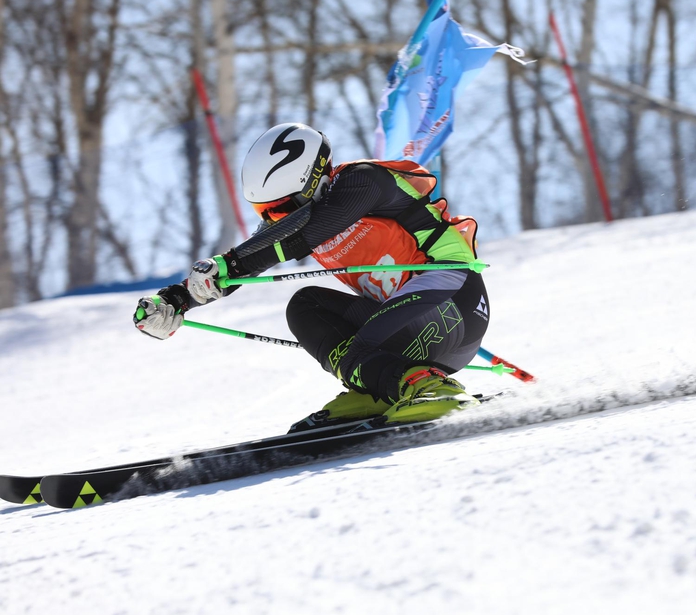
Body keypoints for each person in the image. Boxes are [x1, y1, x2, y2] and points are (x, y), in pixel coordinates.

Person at [134, 122, 490, 432]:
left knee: (359, 346)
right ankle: (382, 387)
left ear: (311, 182)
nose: (274, 219)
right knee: (306, 306)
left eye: (280, 208)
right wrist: (178, 299)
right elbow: (250, 260)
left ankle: (431, 389)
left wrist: (230, 261)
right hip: (409, 333)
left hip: (454, 304)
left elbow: (309, 232)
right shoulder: (295, 220)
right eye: (265, 212)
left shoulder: (364, 181)